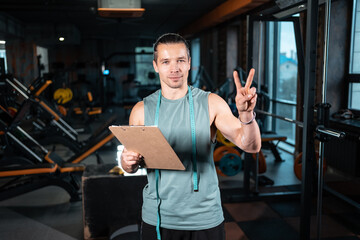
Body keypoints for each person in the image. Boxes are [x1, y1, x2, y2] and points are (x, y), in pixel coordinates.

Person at [121, 33, 261, 240]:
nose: (174, 68)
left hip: (205, 218)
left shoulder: (212, 103)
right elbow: (131, 166)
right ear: (156, 66)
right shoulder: (141, 110)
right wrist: (126, 162)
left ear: (189, 63)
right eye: (166, 61)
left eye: (180, 60)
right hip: (158, 218)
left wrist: (246, 115)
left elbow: (250, 146)